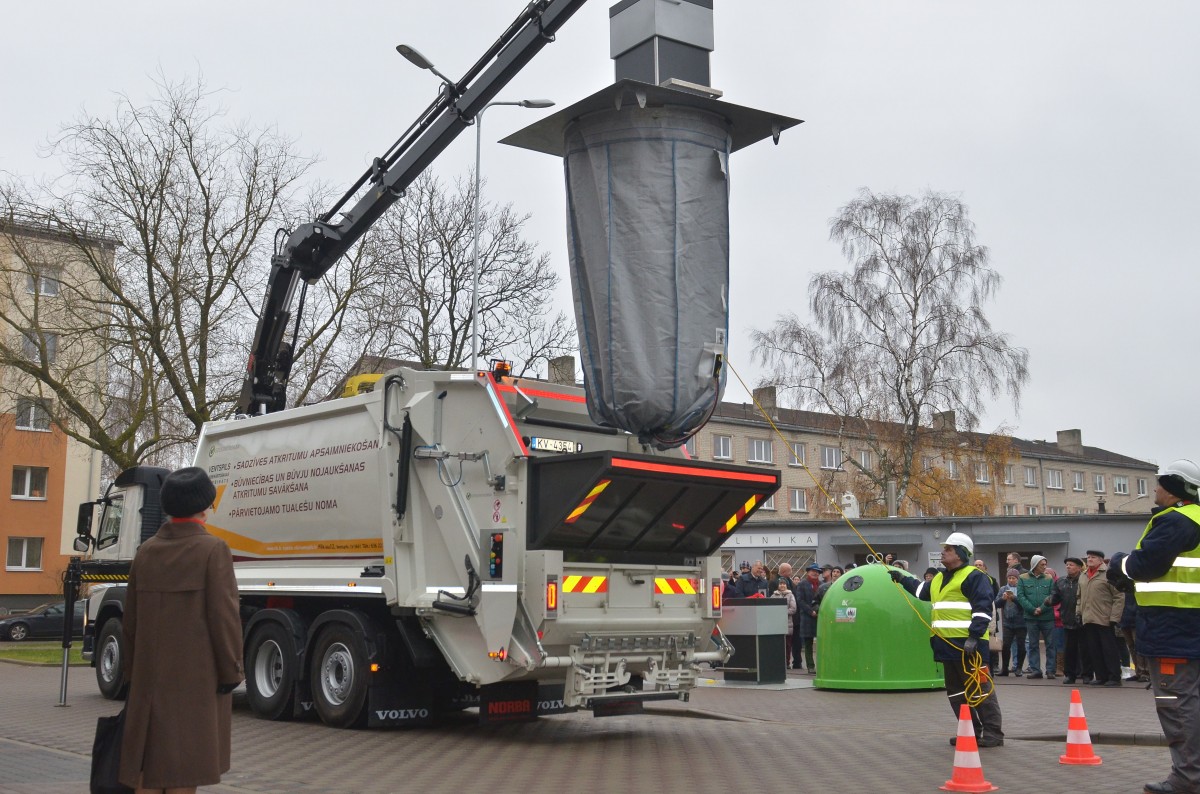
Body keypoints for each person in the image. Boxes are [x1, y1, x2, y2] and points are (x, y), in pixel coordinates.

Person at [119, 467, 243, 793]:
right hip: (195, 685)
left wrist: (132, 674)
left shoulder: (145, 552)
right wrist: (231, 672)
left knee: (147, 768)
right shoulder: (213, 550)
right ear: (205, 506)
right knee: (183, 773)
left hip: (148, 683)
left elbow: (130, 622)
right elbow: (224, 618)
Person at [1108, 459, 1200, 794]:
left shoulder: (1176, 520)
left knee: (1178, 704)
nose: (1155, 489)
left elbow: (1146, 564)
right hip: (1187, 629)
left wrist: (1118, 563)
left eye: (1159, 482)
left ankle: (1188, 778)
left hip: (1173, 629)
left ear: (1173, 487)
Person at [891, 532, 1003, 747]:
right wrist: (902, 578)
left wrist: (973, 637)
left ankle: (993, 734)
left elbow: (982, 609)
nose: (943, 552)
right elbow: (920, 591)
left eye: (948, 549)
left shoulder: (975, 576)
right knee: (957, 692)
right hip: (946, 646)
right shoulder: (939, 578)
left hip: (970, 646)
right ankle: (969, 731)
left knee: (980, 690)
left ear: (960, 553)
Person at [1078, 549, 1124, 687]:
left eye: (1093, 557)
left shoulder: (1109, 574)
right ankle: (1100, 676)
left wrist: (1114, 617)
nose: (1089, 559)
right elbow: (1079, 597)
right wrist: (1078, 613)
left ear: (1101, 560)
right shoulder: (1083, 575)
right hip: (1088, 618)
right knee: (1094, 649)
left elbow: (1119, 597)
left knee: (1109, 650)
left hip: (1105, 618)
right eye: (1088, 557)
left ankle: (1114, 677)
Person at [1017, 554, 1057, 679]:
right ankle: (1035, 670)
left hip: (1047, 617)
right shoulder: (1023, 578)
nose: (1045, 567)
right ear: (1034, 565)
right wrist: (1032, 609)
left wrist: (1041, 608)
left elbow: (1052, 596)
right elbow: (1021, 596)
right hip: (1031, 618)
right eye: (1042, 565)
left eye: (1045, 564)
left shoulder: (1049, 578)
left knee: (1050, 644)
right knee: (1033, 644)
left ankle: (1050, 670)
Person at [1049, 557, 1084, 684]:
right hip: (1068, 619)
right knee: (1069, 650)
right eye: (1067, 565)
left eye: (1071, 565)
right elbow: (1055, 597)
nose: (1068, 567)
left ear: (1079, 568)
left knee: (1084, 649)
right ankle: (1070, 674)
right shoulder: (1061, 581)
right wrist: (1048, 601)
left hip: (1083, 620)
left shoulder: (1084, 580)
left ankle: (1086, 674)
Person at [995, 568, 1026, 677]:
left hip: (1021, 622)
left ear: (1017, 579)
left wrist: (1014, 599)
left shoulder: (1022, 588)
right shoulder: (1003, 589)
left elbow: (1024, 605)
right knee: (1006, 645)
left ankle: (1019, 668)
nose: (1011, 580)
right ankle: (1005, 669)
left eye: (1013, 578)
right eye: (1009, 578)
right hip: (1008, 622)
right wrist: (1003, 599)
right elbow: (996, 604)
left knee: (1021, 645)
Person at [794, 563, 822, 673]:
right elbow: (800, 600)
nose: (815, 573)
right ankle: (810, 666)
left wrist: (819, 611)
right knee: (808, 643)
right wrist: (810, 611)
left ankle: (821, 665)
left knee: (822, 642)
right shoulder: (802, 584)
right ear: (808, 572)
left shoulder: (821, 584)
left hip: (820, 616)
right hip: (807, 617)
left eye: (817, 572)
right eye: (813, 571)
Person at [775, 577, 798, 666]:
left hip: (787, 624)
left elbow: (793, 609)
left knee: (787, 645)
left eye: (784, 584)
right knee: (778, 645)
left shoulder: (791, 595)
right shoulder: (774, 595)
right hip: (776, 624)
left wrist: (782, 612)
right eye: (780, 584)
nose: (782, 585)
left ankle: (787, 662)